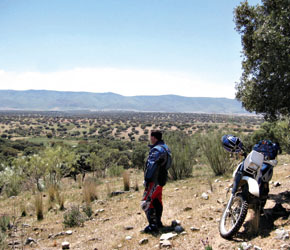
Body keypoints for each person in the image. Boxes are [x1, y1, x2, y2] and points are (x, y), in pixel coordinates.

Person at [141, 130, 171, 233]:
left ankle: (152, 226)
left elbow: (151, 166)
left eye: (151, 137)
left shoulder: (156, 150)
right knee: (157, 200)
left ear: (154, 137)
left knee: (146, 202)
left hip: (154, 180)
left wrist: (146, 179)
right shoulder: (165, 147)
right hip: (161, 179)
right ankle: (158, 222)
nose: (150, 138)